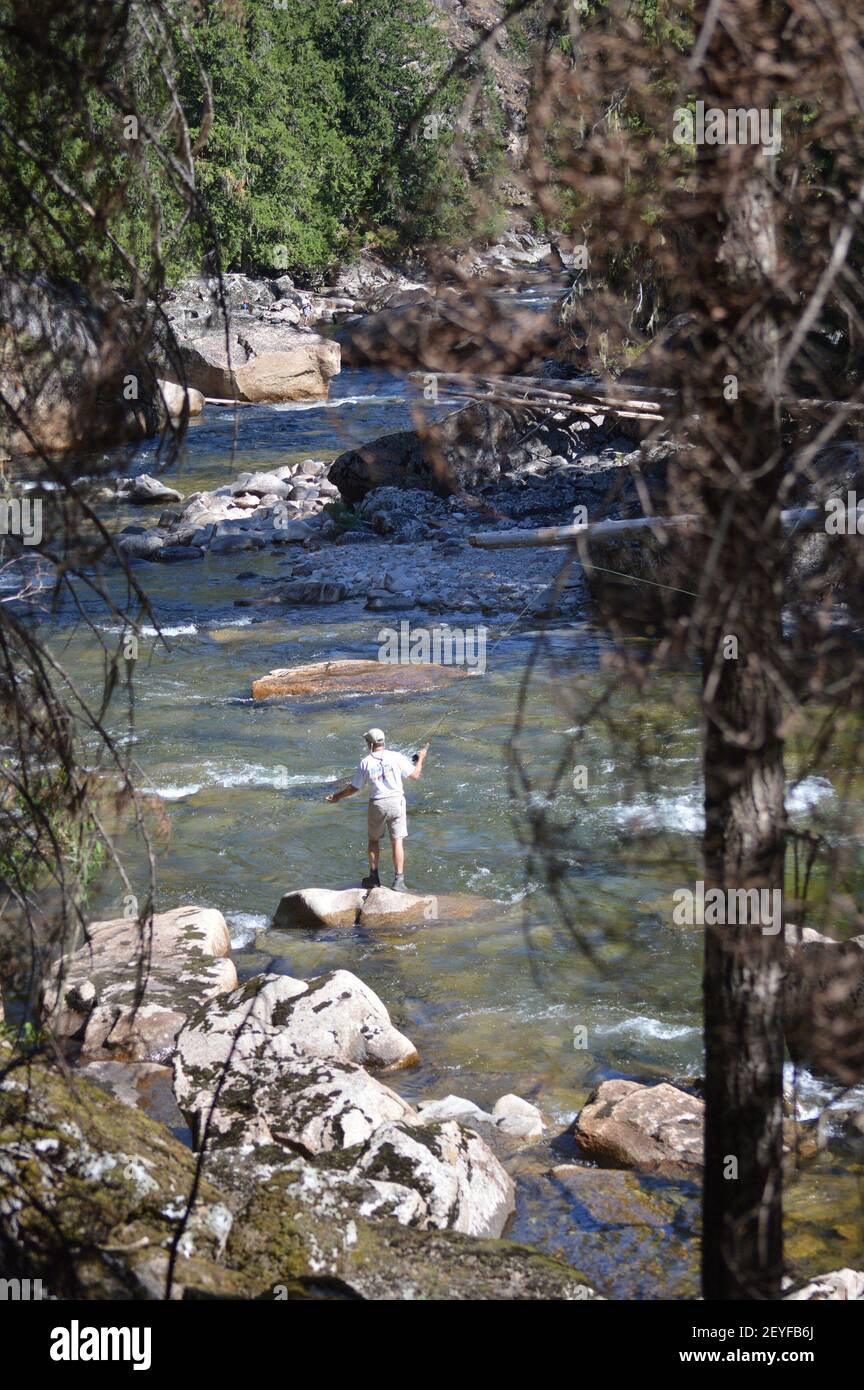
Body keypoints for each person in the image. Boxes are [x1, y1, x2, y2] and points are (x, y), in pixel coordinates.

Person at [325, 727, 428, 892]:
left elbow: (354, 788)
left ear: (370, 744)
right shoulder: (396, 756)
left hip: (378, 804)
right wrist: (421, 758)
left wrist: (337, 797)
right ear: (383, 742)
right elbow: (415, 775)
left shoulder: (365, 762)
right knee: (397, 841)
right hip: (397, 802)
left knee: (374, 840)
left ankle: (373, 877)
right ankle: (399, 881)